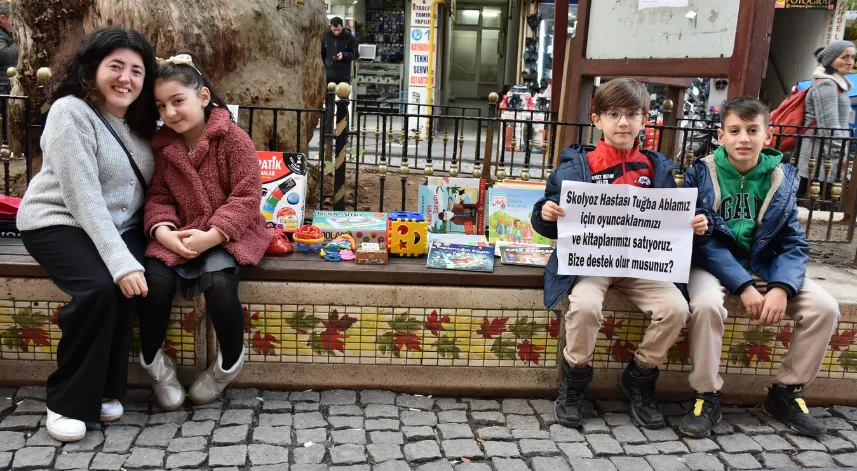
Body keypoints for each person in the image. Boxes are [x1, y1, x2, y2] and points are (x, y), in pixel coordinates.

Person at [531, 78, 708, 429]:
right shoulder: (574, 168)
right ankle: (575, 381)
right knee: (583, 306)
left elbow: (681, 221)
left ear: (645, 119)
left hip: (643, 264)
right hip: (591, 263)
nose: (623, 123)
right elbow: (545, 217)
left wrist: (698, 225)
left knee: (675, 309)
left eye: (632, 114)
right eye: (613, 114)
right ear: (597, 119)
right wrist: (547, 213)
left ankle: (640, 375)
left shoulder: (660, 170)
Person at [16, 27, 158, 442]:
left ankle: (107, 390)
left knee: (134, 287)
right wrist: (119, 262)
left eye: (136, 70)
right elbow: (84, 198)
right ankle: (66, 400)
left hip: (119, 226)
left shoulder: (139, 125)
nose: (125, 78)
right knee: (99, 288)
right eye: (115, 66)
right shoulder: (70, 112)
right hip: (57, 220)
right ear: (91, 69)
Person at [681, 97, 840, 438]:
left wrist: (782, 287)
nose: (744, 139)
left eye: (753, 130)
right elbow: (703, 240)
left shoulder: (781, 179)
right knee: (706, 305)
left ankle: (786, 393)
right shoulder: (702, 174)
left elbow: (793, 242)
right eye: (735, 130)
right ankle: (706, 394)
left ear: (768, 136)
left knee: (824, 307)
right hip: (712, 266)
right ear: (721, 135)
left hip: (765, 266)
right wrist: (743, 285)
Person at [137, 53, 269, 409]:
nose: (170, 112)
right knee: (155, 282)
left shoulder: (234, 140)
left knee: (220, 280)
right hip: (180, 232)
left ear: (204, 96)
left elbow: (246, 196)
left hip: (231, 232)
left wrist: (214, 235)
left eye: (178, 101)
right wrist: (163, 231)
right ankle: (154, 363)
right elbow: (160, 195)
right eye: (161, 106)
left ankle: (228, 362)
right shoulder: (165, 147)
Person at [796, 40, 855, 197]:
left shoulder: (836, 84)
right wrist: (841, 156)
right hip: (818, 161)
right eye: (845, 57)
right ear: (831, 60)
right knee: (814, 205)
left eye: (853, 57)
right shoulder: (826, 86)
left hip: (825, 160)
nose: (850, 62)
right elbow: (829, 129)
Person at [321, 17, 357, 85]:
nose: (336, 32)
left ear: (342, 27)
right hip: (328, 75)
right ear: (331, 26)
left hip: (343, 76)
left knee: (343, 93)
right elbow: (322, 54)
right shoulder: (326, 36)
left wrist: (344, 55)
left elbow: (356, 54)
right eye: (334, 30)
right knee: (328, 94)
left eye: (338, 30)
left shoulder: (349, 37)